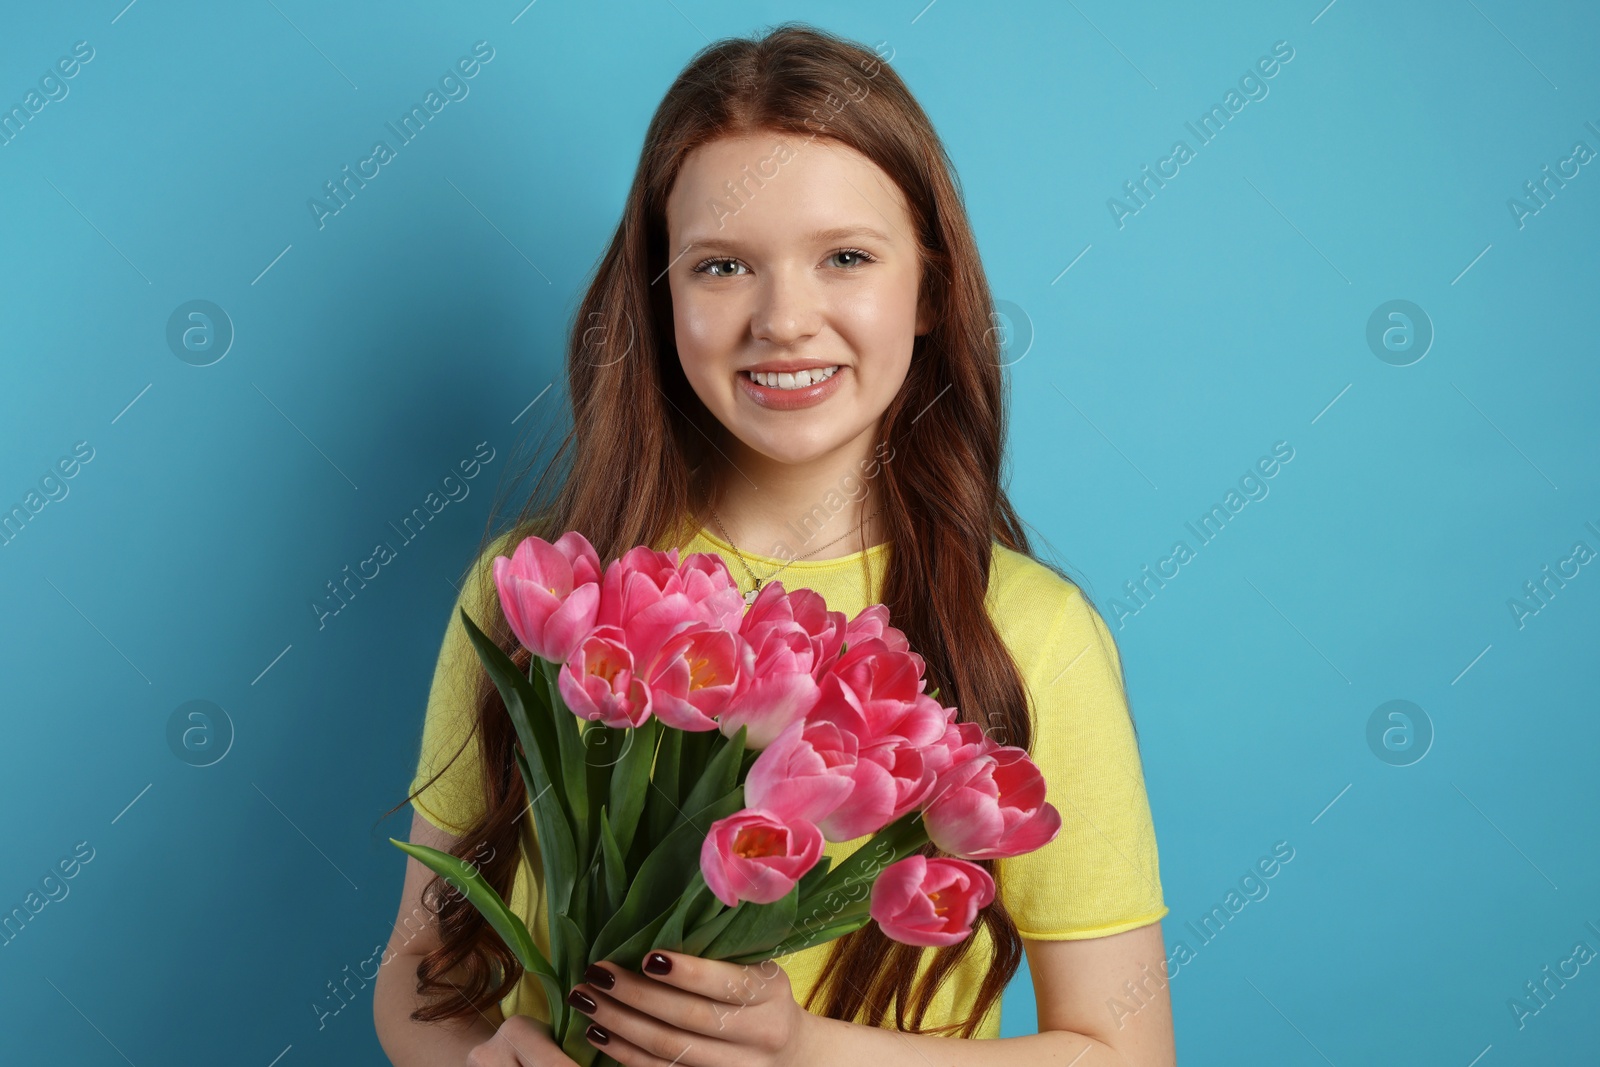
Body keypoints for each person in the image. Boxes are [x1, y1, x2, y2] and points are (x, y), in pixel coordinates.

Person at [374, 22, 1174, 1066]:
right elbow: (415, 973)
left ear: (929, 288)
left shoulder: (1029, 632)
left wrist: (803, 1048)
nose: (784, 318)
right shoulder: (541, 590)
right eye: (722, 266)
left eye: (845, 256)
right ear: (660, 303)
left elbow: (1122, 1051)